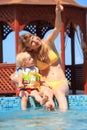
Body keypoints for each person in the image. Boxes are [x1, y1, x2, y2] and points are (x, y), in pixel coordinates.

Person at [11, 3, 69, 111]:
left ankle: (63, 120)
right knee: (48, 98)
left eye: (34, 37)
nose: (35, 40)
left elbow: (57, 28)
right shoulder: (31, 57)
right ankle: (49, 115)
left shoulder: (48, 42)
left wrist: (58, 12)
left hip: (61, 82)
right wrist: (16, 80)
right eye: (31, 42)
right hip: (45, 84)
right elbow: (18, 71)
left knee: (59, 92)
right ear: (29, 48)